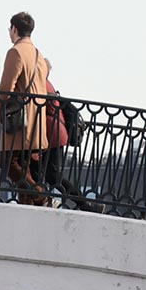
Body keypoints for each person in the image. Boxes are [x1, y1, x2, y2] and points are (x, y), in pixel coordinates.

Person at [0, 11, 51, 207]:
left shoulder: (16, 52)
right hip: (37, 122)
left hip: (20, 124)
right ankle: (30, 207)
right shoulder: (39, 55)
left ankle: (42, 196)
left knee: (8, 163)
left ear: (14, 29)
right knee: (25, 167)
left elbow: (5, 90)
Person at [34, 60, 94, 211]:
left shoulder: (41, 85)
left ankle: (83, 204)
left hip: (52, 135)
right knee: (43, 172)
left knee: (52, 176)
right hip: (55, 134)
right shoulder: (47, 84)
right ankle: (46, 200)